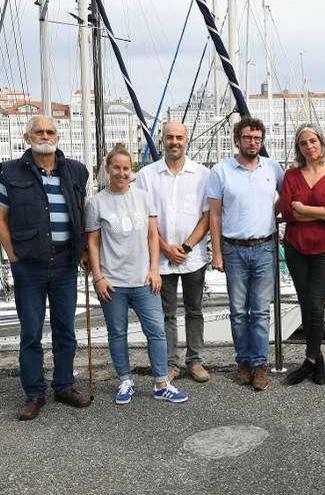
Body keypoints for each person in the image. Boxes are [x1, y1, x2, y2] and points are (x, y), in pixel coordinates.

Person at [0, 115, 92, 421]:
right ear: (27, 137)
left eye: (50, 132)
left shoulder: (76, 171)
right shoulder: (10, 171)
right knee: (31, 333)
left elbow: (83, 214)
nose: (44, 135)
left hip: (64, 263)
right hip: (29, 266)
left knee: (65, 330)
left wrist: (84, 251)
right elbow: (0, 217)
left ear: (58, 138)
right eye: (39, 131)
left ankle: (63, 385)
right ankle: (34, 394)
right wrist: (13, 258)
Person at [86, 144, 189, 404]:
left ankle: (161, 382)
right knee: (117, 333)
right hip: (112, 283)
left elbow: (153, 236)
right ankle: (125, 380)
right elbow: (93, 243)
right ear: (107, 169)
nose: (121, 173)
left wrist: (155, 270)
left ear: (132, 170)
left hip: (144, 280)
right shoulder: (96, 202)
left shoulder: (144, 197)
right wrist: (98, 276)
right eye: (116, 168)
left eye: (126, 168)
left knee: (156, 331)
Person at [208, 116, 284, 391]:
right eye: (248, 138)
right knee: (239, 311)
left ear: (261, 141)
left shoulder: (272, 168)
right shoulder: (221, 171)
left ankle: (260, 365)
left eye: (257, 138)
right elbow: (214, 215)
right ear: (237, 140)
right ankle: (243, 362)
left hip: (264, 247)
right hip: (233, 248)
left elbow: (286, 197)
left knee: (261, 312)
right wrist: (216, 252)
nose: (252, 143)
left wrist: (270, 213)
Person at [136, 122, 211, 384]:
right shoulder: (147, 175)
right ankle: (170, 363)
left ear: (186, 139)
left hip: (194, 257)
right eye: (170, 137)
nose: (174, 142)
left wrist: (187, 246)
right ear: (162, 140)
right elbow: (144, 217)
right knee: (165, 314)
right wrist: (166, 247)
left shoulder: (202, 174)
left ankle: (195, 360)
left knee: (195, 310)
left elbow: (207, 216)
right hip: (161, 258)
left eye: (179, 137)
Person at [277, 125, 325, 385]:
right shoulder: (292, 175)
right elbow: (288, 210)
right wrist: (322, 210)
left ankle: (310, 361)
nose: (309, 146)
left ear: (321, 143)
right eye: (303, 143)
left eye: (313, 141)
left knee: (316, 304)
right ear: (299, 148)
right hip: (296, 248)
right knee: (307, 304)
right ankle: (318, 362)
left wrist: (304, 208)